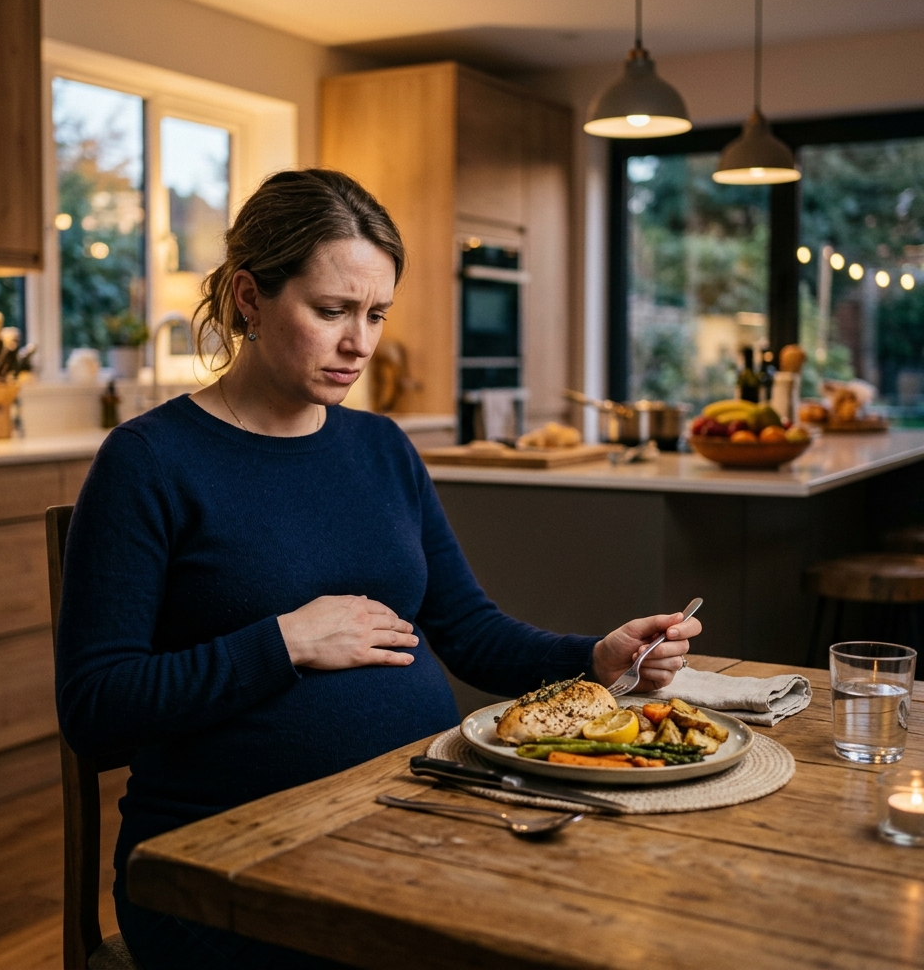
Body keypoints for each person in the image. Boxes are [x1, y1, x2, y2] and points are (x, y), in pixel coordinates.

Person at [55, 169, 701, 970]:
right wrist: (284, 641)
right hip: (220, 859)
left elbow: (467, 629)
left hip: (412, 814)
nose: (360, 343)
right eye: (331, 311)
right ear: (250, 299)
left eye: (375, 314)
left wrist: (594, 659)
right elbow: (95, 709)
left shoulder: (382, 448)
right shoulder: (148, 463)